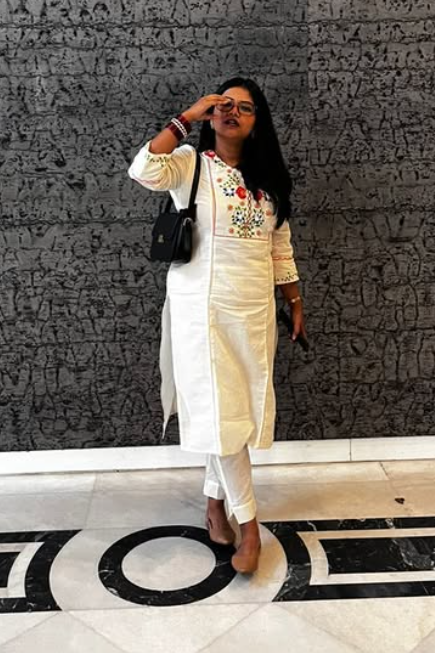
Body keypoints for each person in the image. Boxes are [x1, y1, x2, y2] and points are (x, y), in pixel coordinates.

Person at [128, 76, 307, 574]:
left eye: (244, 108)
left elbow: (279, 246)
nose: (232, 113)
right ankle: (248, 524)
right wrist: (187, 118)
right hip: (201, 311)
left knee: (233, 413)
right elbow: (143, 168)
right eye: (224, 105)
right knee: (222, 412)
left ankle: (213, 503)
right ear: (211, 114)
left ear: (257, 122)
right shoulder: (191, 164)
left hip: (252, 312)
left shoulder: (267, 181)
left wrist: (294, 300)